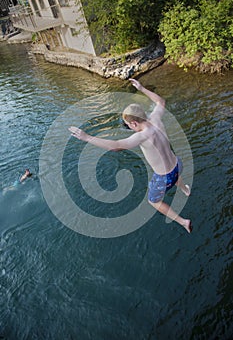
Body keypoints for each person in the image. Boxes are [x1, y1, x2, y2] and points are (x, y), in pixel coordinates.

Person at [69, 79, 192, 233]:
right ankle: (185, 188)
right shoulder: (155, 118)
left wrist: (86, 137)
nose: (129, 128)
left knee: (153, 201)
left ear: (134, 123)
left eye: (128, 126)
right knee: (175, 174)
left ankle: (183, 221)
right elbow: (161, 101)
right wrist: (141, 88)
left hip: (164, 177)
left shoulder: (142, 136)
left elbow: (115, 146)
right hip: (177, 164)